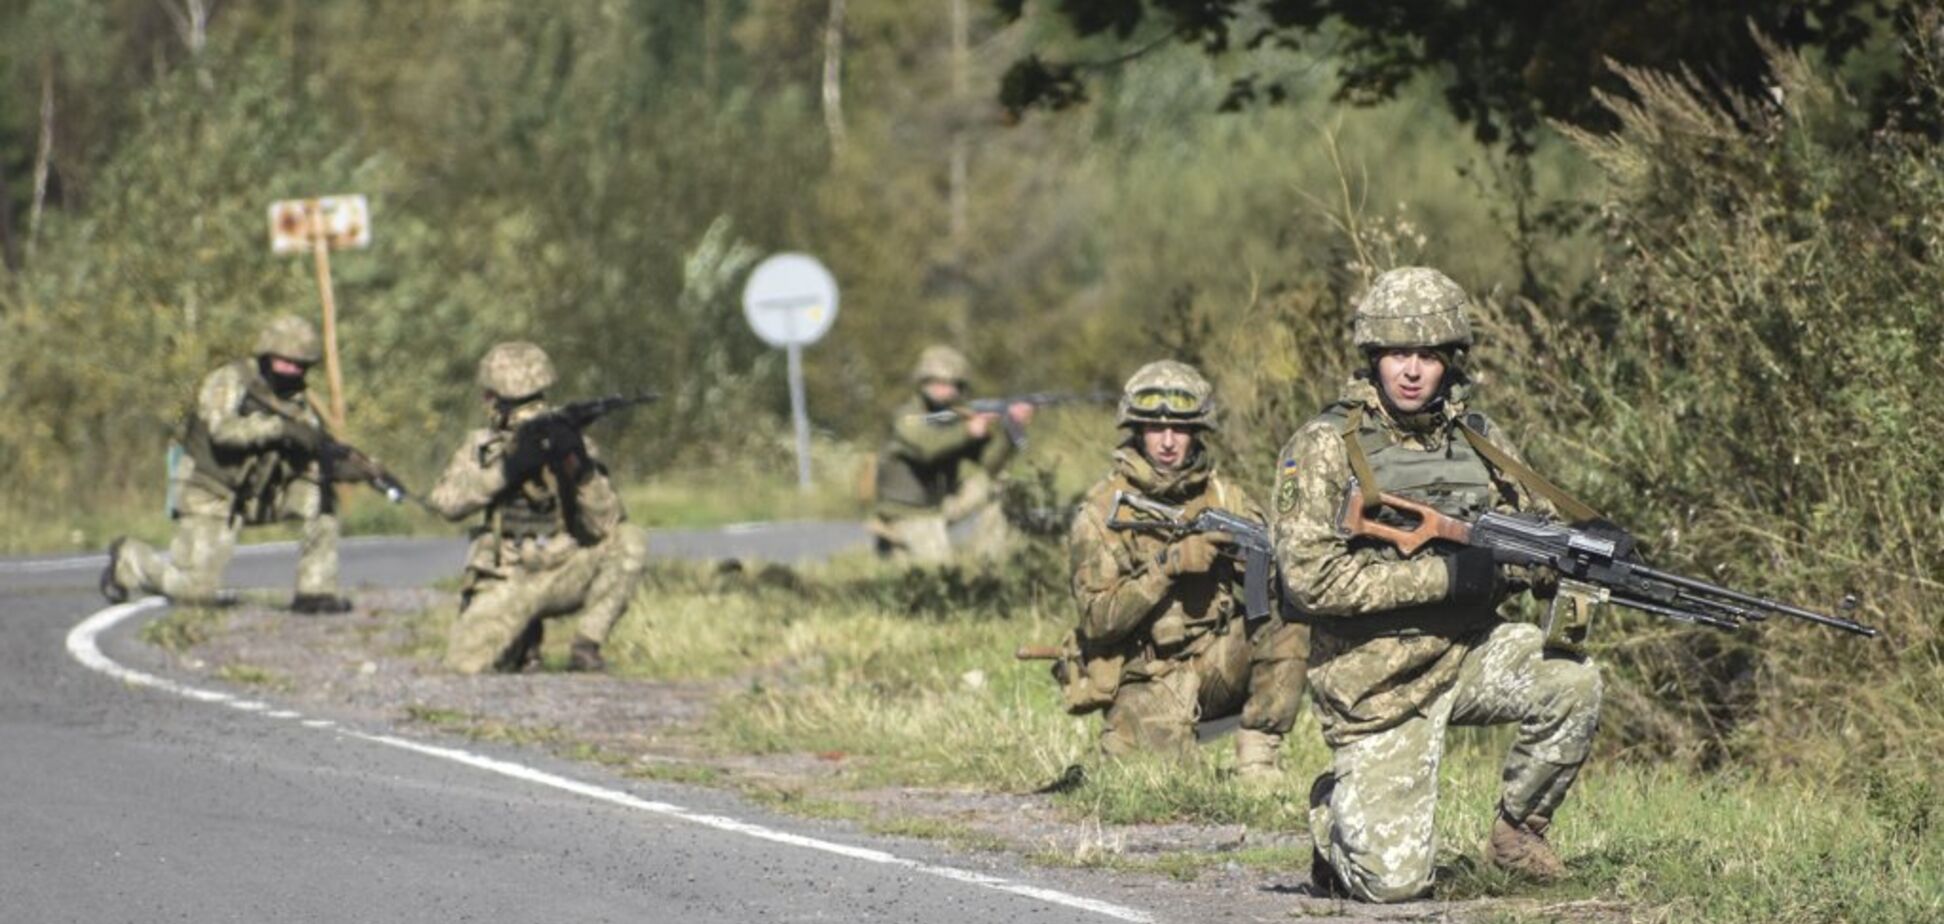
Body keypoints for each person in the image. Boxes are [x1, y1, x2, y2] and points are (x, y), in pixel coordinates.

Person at [1269, 267, 1604, 901]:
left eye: (1428, 355)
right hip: (1374, 684)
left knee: (1571, 681)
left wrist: (1574, 551)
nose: (1412, 370)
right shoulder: (1321, 447)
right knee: (1393, 888)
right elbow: (1311, 580)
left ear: (1450, 361)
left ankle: (1517, 837)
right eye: (1398, 353)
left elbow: (1534, 529)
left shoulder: (1477, 438)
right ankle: (1332, 814)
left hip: (1469, 652)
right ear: (1373, 358)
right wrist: (1445, 576)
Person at [1061, 360, 1308, 780]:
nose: (1169, 442)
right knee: (1155, 784)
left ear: (1198, 431)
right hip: (1148, 678)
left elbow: (1274, 585)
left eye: (1181, 428)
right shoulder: (1102, 511)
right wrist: (1167, 566)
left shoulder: (1226, 498)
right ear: (1137, 431)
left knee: (1290, 617)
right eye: (1156, 429)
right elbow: (1096, 622)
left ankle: (1258, 759)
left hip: (1218, 668)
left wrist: (1255, 567)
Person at [102, 315, 361, 613]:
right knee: (196, 594)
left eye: (300, 364)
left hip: (256, 493)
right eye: (285, 361)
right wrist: (277, 428)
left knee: (319, 495)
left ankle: (315, 591)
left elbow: (307, 449)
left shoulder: (297, 399)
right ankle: (130, 560)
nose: (292, 369)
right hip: (209, 490)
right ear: (267, 353)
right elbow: (222, 432)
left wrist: (344, 466)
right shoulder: (229, 381)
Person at [424, 341, 649, 674]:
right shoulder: (483, 447)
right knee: (464, 666)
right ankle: (525, 643)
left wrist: (580, 468)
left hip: (561, 568)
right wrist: (506, 471)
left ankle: (586, 645)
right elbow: (446, 503)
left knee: (629, 540)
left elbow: (606, 524)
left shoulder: (570, 442)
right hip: (506, 579)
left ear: (490, 397)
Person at [870, 345, 1033, 563]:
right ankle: (893, 540)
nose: (944, 390)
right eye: (936, 383)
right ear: (922, 383)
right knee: (940, 571)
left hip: (940, 505)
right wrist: (969, 431)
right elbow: (927, 448)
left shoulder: (957, 419)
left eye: (951, 384)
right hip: (907, 512)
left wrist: (1011, 433)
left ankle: (987, 562)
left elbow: (990, 465)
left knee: (1002, 484)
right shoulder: (907, 418)